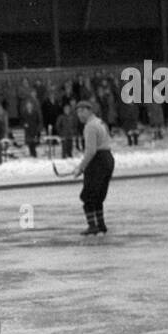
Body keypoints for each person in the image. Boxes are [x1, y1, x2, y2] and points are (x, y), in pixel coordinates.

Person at [70, 100, 115, 236]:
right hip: (108, 158)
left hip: (98, 162)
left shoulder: (90, 126)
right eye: (78, 112)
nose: (79, 115)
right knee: (98, 196)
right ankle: (101, 224)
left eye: (81, 111)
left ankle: (92, 226)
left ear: (88, 111)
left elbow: (90, 151)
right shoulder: (100, 122)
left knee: (88, 196)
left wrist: (81, 167)